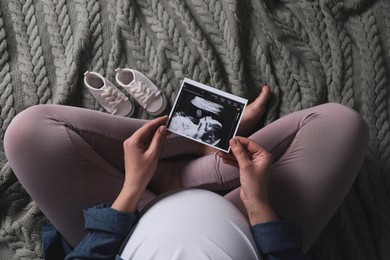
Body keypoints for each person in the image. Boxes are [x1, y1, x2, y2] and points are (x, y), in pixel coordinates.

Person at [3, 86, 369, 259]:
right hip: (250, 220)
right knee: (341, 125)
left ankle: (187, 151)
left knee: (29, 133)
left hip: (129, 218)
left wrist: (131, 189)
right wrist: (257, 203)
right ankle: (202, 154)